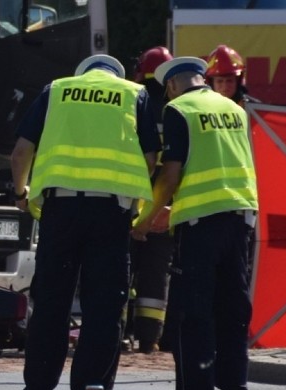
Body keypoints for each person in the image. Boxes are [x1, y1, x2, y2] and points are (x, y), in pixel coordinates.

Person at [11, 54, 160, 390]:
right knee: (104, 310)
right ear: (115, 74)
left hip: (60, 213)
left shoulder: (56, 91)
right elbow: (151, 157)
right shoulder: (134, 94)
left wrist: (20, 192)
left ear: (82, 74)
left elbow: (21, 152)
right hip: (111, 215)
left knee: (50, 306)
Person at [131, 56, 259, 390]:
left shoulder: (178, 109)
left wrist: (145, 219)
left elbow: (171, 174)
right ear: (201, 78)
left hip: (200, 226)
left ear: (171, 85)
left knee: (194, 315)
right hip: (240, 218)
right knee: (233, 313)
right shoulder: (234, 110)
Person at [127, 46, 175, 354]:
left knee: (121, 271)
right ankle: (149, 338)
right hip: (163, 210)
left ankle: (116, 333)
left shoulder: (132, 108)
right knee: (156, 278)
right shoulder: (177, 111)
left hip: (129, 206)